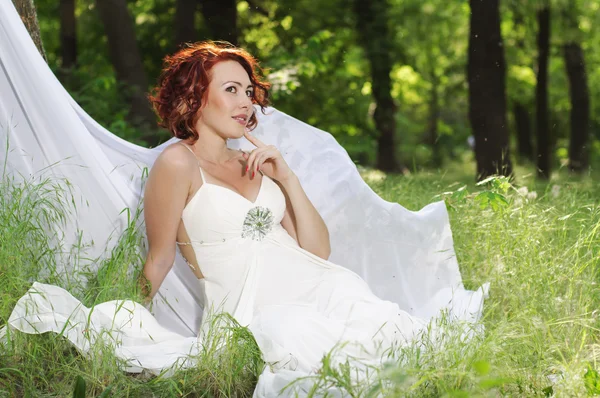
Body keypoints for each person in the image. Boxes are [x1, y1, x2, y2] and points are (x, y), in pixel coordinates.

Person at [2, 33, 487, 397]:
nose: (247, 101)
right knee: (295, 338)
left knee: (382, 323)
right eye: (231, 90)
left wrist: (288, 178)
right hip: (253, 309)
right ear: (195, 97)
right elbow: (159, 260)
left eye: (249, 90)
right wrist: (130, 322)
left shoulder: (254, 159)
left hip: (319, 284)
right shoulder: (176, 163)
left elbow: (317, 251)